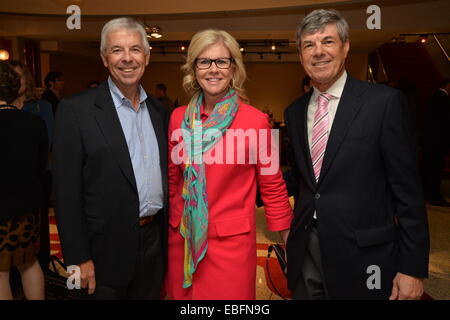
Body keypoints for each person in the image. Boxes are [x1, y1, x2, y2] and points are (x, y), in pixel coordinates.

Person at [284, 9, 429, 300]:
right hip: (306, 247)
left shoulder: (383, 103)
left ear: (345, 46)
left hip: (364, 254)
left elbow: (407, 189)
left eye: (328, 41)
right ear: (300, 55)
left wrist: (412, 267)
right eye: (309, 45)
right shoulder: (294, 111)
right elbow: (306, 180)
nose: (318, 52)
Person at [164, 29, 293, 300]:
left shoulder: (257, 122)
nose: (213, 69)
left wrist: (288, 238)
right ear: (194, 68)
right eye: (204, 61)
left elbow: (272, 185)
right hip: (182, 242)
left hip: (230, 247)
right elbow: (173, 180)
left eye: (222, 61)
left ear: (233, 68)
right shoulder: (177, 119)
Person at [53, 17, 168, 300]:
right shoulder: (76, 111)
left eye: (135, 50)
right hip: (102, 251)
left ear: (147, 57)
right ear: (104, 58)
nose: (127, 58)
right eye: (117, 50)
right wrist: (79, 258)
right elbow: (66, 193)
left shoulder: (160, 112)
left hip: (154, 244)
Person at [0, 61, 48, 300]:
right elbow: (40, 166)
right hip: (28, 207)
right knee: (29, 264)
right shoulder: (34, 123)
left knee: (0, 274)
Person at [8, 60, 54, 274]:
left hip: (35, 179)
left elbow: (49, 143)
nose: (16, 82)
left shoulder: (40, 106)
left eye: (20, 76)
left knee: (34, 246)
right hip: (7, 184)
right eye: (11, 77)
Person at [422, 79, 450, 207]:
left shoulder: (433, 97)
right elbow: (444, 122)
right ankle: (434, 195)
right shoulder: (443, 99)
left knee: (430, 167)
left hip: (430, 140)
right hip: (438, 141)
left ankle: (428, 193)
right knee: (435, 168)